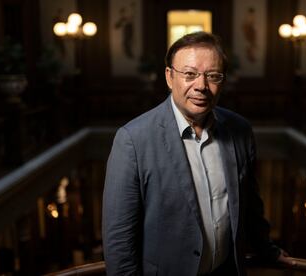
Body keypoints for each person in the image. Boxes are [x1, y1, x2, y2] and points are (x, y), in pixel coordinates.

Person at [102, 31, 292, 276]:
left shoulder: (240, 130)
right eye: (189, 74)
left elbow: (250, 209)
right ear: (170, 77)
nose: (201, 86)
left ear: (222, 81)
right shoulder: (133, 140)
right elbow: (119, 240)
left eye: (212, 76)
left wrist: (268, 250)